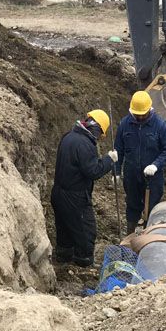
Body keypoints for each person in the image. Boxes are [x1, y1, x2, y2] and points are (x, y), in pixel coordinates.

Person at [51, 109, 118, 267]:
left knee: (64, 227)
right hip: (75, 196)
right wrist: (109, 160)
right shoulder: (85, 144)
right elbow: (93, 171)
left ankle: (63, 256)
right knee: (86, 230)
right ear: (98, 130)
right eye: (100, 135)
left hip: (58, 192)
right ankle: (83, 263)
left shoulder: (69, 136)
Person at [113, 91, 166, 234]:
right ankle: (130, 236)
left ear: (149, 109)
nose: (140, 117)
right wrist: (116, 171)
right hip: (131, 174)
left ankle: (148, 237)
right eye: (137, 114)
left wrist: (156, 165)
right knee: (132, 205)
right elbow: (118, 150)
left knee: (151, 208)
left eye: (143, 114)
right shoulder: (125, 124)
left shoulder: (161, 126)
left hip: (153, 177)